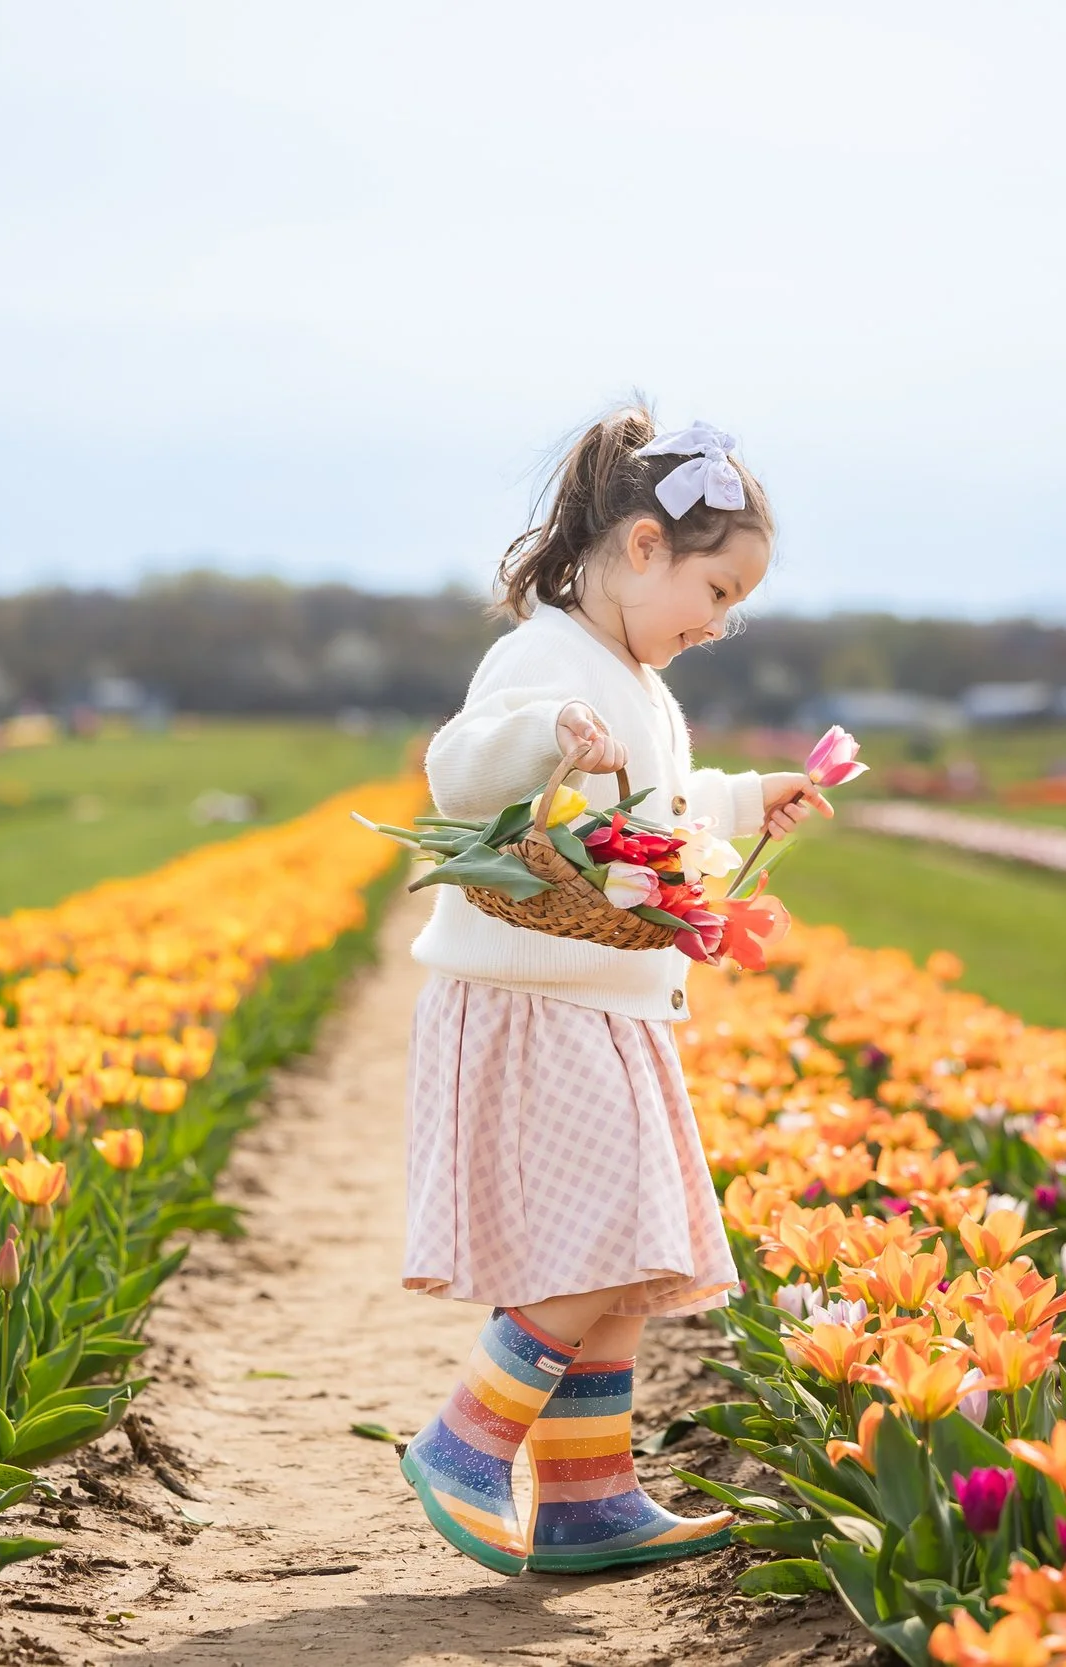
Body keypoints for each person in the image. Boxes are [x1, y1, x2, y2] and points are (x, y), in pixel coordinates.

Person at [398, 407, 831, 1574]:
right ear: (644, 547)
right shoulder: (549, 659)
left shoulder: (635, 674)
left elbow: (653, 815)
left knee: (635, 1263)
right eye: (718, 590)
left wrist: (741, 802)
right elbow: (460, 764)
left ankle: (589, 1494)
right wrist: (546, 733)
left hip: (612, 995)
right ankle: (465, 1442)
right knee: (605, 1237)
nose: (721, 623)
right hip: (536, 998)